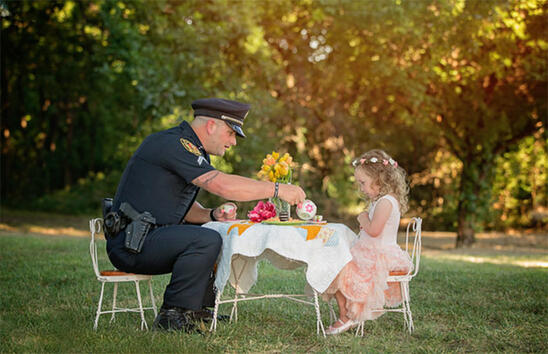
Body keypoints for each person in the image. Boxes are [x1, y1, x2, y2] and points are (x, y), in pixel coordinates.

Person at [105, 98, 306, 333]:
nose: (233, 142)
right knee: (206, 240)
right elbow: (222, 185)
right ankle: (172, 314)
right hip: (131, 245)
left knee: (212, 231)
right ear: (212, 125)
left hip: (144, 237)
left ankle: (197, 310)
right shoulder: (176, 145)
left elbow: (173, 203)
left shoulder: (187, 147)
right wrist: (277, 189)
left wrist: (210, 214)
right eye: (231, 133)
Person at [323, 149, 412, 335]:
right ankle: (347, 314)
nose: (361, 188)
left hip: (379, 256)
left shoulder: (386, 202)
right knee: (334, 264)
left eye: (363, 183)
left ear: (380, 179)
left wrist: (363, 219)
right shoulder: (380, 200)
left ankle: (346, 317)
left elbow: (374, 230)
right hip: (372, 251)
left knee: (337, 268)